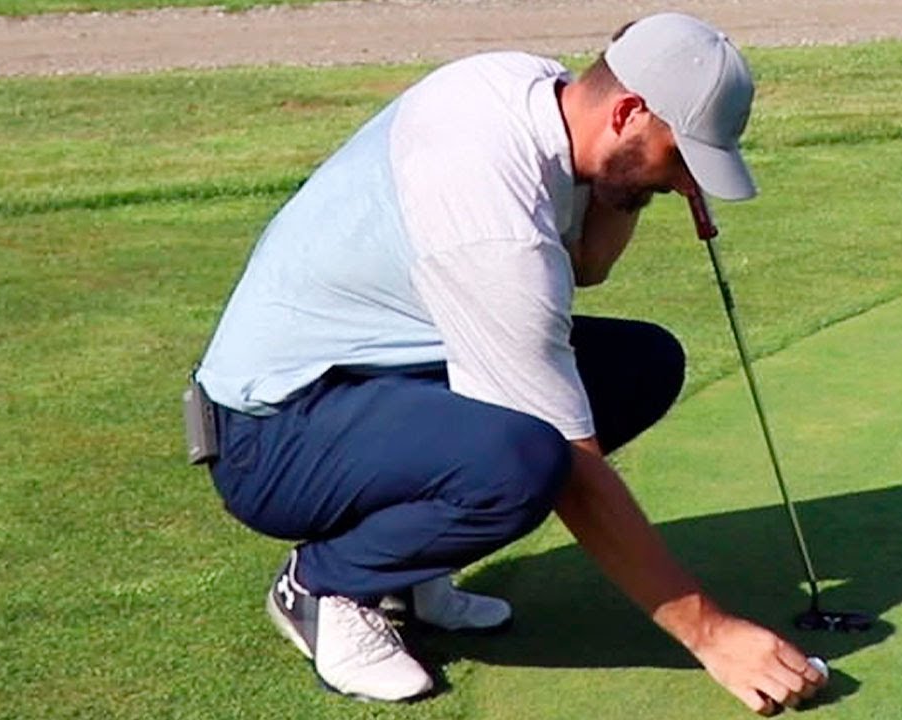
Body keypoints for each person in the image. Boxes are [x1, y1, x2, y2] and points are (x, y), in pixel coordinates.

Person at [194, 12, 825, 715]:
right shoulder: (495, 226)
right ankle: (324, 585)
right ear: (627, 111)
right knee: (526, 460)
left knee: (640, 364)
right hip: (273, 434)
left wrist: (633, 184)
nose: (686, 185)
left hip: (373, 381)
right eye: (681, 159)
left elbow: (588, 263)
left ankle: (412, 568)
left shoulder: (528, 87)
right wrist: (712, 634)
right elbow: (576, 472)